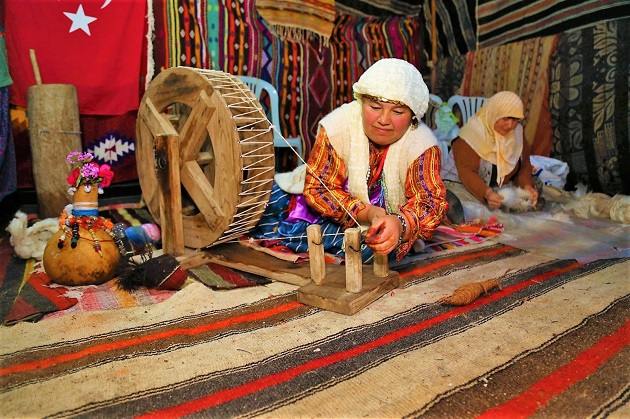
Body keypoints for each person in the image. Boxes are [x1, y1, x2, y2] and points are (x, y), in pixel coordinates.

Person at [250, 58, 448, 262]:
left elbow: (431, 202)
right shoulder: (338, 126)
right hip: (328, 209)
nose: (383, 120)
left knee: (373, 250)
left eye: (397, 111)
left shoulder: (421, 143)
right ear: (362, 102)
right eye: (375, 106)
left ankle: (293, 236)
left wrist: (400, 224)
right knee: (263, 199)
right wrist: (366, 212)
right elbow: (318, 189)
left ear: (413, 116)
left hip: (385, 223)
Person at [441, 91, 542, 212]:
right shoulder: (472, 133)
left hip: (494, 187)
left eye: (515, 119)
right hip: (463, 186)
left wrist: (526, 186)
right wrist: (487, 193)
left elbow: (524, 165)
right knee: (461, 208)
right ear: (494, 114)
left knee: (534, 186)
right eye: (505, 118)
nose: (510, 124)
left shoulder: (517, 132)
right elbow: (467, 172)